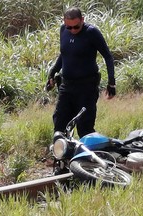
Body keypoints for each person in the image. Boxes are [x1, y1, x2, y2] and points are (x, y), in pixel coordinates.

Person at [46, 7, 116, 138]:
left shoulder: (91, 32)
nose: (72, 30)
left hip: (86, 87)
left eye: (76, 27)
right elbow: (65, 54)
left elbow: (108, 56)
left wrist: (111, 83)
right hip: (66, 86)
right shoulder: (63, 30)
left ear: (82, 20)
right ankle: (62, 155)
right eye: (69, 27)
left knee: (85, 128)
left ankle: (90, 157)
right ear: (64, 23)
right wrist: (52, 72)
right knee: (60, 125)